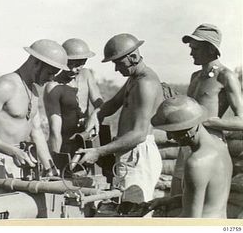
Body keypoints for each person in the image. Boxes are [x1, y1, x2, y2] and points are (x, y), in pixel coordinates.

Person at [0, 39, 69, 197]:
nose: (51, 78)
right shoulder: (6, 85)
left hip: (20, 161)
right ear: (36, 62)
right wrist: (12, 151)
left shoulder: (34, 92)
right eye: (50, 73)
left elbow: (36, 132)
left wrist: (50, 168)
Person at [77, 33, 163, 204]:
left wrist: (98, 151)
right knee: (124, 207)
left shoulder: (145, 83)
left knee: (135, 210)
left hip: (138, 154)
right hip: (130, 152)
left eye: (118, 63)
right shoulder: (134, 78)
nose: (116, 69)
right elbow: (114, 102)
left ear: (133, 57)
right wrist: (97, 114)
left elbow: (139, 134)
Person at [171, 24, 243, 196]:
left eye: (195, 48)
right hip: (188, 144)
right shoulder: (195, 77)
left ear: (211, 49)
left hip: (211, 146)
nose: (191, 53)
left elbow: (241, 120)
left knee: (205, 204)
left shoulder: (226, 76)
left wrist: (208, 121)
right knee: (176, 198)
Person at [149, 95, 232, 218]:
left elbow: (190, 221)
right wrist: (168, 200)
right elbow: (209, 198)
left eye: (171, 131)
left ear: (187, 131)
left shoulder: (196, 162)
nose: (169, 138)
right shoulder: (219, 145)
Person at [44, 38, 103, 157]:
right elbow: (55, 131)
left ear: (84, 62)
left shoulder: (86, 75)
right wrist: (57, 159)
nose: (72, 69)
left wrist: (94, 115)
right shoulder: (53, 87)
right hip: (65, 145)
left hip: (87, 141)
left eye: (77, 65)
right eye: (68, 64)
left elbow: (100, 104)